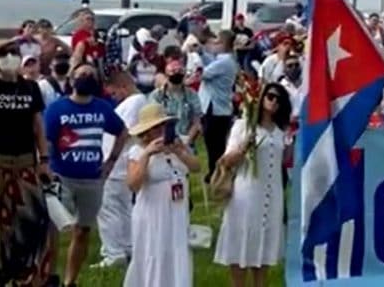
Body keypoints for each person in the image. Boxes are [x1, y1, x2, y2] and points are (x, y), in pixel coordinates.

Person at [0, 39, 52, 286]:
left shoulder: (31, 88)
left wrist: (44, 159)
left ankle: (26, 274)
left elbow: (37, 125)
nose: (11, 58)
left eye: (14, 54)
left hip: (24, 164)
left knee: (33, 222)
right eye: (5, 55)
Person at [45, 63, 128, 287]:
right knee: (52, 231)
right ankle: (49, 277)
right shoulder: (56, 109)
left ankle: (70, 281)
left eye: (90, 75)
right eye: (81, 74)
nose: (85, 77)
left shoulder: (102, 108)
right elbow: (45, 141)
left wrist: (111, 161)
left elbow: (122, 131)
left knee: (83, 231)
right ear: (72, 79)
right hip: (62, 177)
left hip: (93, 179)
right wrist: (47, 169)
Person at [214, 83, 292, 286]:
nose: (274, 102)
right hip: (247, 194)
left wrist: (293, 144)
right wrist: (243, 147)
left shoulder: (279, 131)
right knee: (241, 252)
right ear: (261, 98)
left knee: (263, 255)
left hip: (272, 193)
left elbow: (283, 161)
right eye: (271, 96)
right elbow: (226, 161)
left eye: (279, 99)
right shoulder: (244, 125)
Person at [123, 103, 199, 287]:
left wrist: (180, 151)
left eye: (163, 126)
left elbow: (196, 167)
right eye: (156, 127)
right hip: (153, 213)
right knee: (154, 252)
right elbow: (133, 184)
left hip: (177, 210)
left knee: (176, 251)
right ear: (147, 131)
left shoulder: (178, 143)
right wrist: (147, 154)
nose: (160, 131)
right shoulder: (138, 152)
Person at [94, 72, 148, 268]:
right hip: (125, 163)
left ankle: (113, 251)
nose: (113, 97)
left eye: (114, 92)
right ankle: (128, 246)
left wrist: (106, 160)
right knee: (123, 208)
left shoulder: (133, 103)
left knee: (107, 209)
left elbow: (118, 133)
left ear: (123, 86)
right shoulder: (141, 102)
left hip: (115, 164)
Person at [200, 30, 239, 182]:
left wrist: (199, 56)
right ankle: (216, 173)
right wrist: (202, 53)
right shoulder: (226, 60)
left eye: (216, 42)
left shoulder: (224, 62)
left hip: (216, 109)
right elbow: (210, 62)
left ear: (223, 44)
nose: (214, 46)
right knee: (215, 144)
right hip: (220, 108)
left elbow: (203, 73)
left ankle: (217, 174)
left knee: (214, 146)